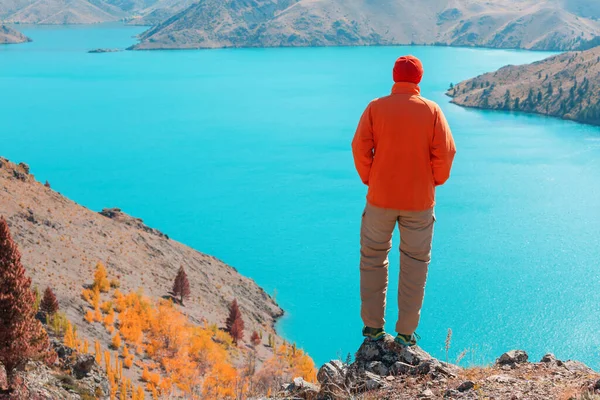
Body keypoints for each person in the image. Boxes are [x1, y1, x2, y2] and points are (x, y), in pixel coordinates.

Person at [351, 55, 456, 346]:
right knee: (415, 263)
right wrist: (432, 180)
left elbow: (359, 148)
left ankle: (373, 328)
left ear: (395, 76)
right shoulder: (432, 111)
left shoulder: (375, 108)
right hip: (419, 202)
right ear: (418, 79)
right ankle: (406, 334)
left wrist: (371, 178)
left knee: (372, 260)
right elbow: (446, 154)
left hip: (380, 199)